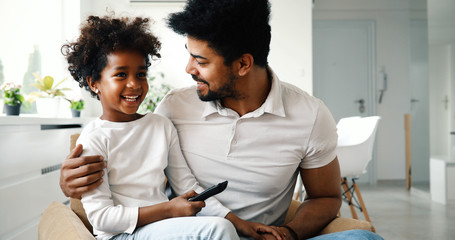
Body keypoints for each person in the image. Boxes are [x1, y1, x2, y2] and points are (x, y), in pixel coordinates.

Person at [60, 1, 384, 240]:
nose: (189, 69)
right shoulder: (174, 107)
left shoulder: (310, 115)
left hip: (255, 234)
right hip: (194, 232)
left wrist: (288, 234)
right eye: (189, 54)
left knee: (364, 239)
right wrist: (71, 184)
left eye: (200, 60)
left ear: (243, 63)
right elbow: (133, 166)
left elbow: (326, 196)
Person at [61, 15, 283, 240]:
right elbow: (101, 218)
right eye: (120, 75)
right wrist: (168, 210)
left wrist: (240, 224)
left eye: (141, 74)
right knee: (217, 230)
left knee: (222, 227)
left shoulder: (160, 125)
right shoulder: (93, 139)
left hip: (162, 229)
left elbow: (186, 185)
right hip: (120, 236)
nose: (134, 84)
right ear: (93, 82)